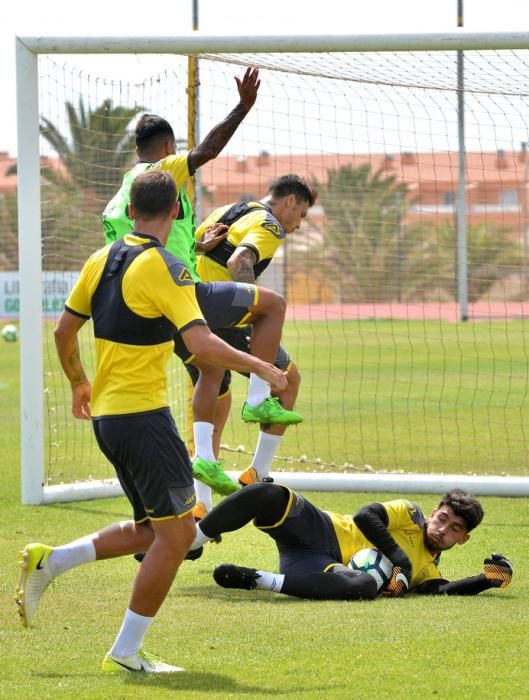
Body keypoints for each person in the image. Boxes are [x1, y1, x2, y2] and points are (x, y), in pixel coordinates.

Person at [15, 171, 289, 674]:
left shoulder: (100, 259)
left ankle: (51, 561)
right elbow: (203, 343)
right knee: (178, 537)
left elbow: (63, 329)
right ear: (179, 210)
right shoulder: (167, 266)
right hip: (143, 419)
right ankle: (124, 653)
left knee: (152, 530)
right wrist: (262, 367)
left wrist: (80, 382)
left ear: (132, 209)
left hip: (110, 419)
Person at [102, 67, 301, 503]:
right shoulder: (162, 172)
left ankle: (202, 482)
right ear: (169, 149)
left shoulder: (122, 194)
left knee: (212, 375)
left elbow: (144, 238)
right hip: (181, 292)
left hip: (140, 309)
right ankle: (260, 396)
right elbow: (209, 150)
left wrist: (194, 242)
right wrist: (242, 108)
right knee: (273, 307)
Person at [176, 174, 316, 516]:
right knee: (289, 380)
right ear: (291, 202)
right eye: (302, 216)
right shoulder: (271, 225)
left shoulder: (226, 210)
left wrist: (199, 247)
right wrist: (251, 311)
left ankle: (200, 506)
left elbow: (188, 248)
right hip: (224, 318)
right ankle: (258, 473)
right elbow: (239, 261)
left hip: (187, 316)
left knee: (215, 400)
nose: (298, 226)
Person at [188, 483, 513, 600]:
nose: (444, 529)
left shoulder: (426, 569)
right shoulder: (410, 513)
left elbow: (441, 590)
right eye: (443, 518)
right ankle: (191, 541)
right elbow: (364, 516)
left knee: (363, 586)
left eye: (455, 529)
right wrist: (397, 556)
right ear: (433, 512)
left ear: (463, 539)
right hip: (321, 529)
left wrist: (486, 580)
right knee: (269, 494)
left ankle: (258, 580)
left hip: (320, 566)